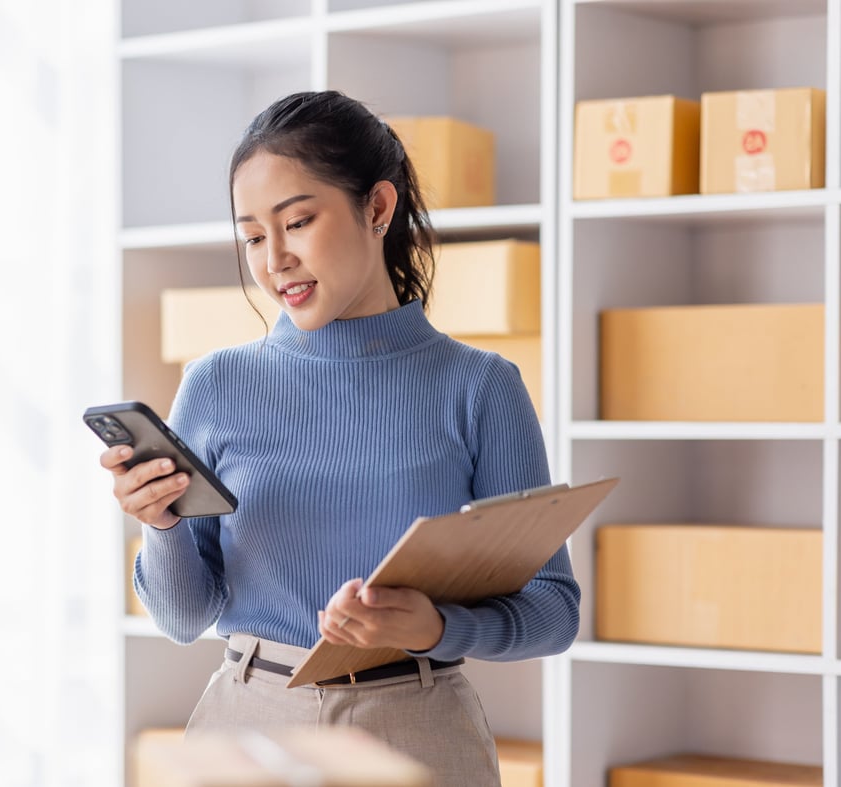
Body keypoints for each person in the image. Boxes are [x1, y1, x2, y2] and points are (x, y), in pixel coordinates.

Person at [99, 90, 579, 786]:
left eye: (297, 222)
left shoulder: (479, 387)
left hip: (420, 728)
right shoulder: (216, 383)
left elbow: (552, 610)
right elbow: (182, 616)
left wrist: (434, 628)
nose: (274, 261)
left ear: (378, 209)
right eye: (254, 237)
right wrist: (161, 523)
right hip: (247, 723)